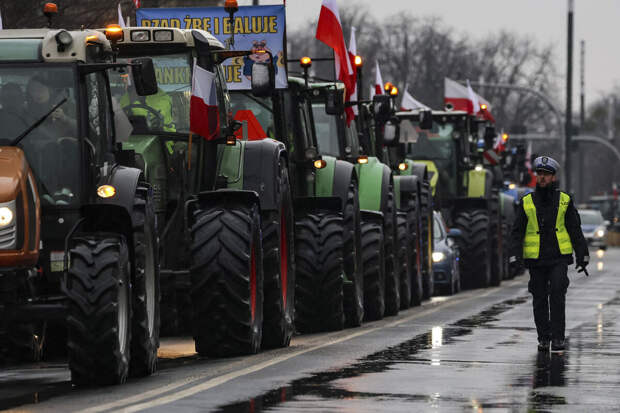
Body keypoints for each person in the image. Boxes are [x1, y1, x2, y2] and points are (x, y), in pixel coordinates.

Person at [509, 156, 589, 352]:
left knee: (557, 295)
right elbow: (517, 232)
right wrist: (514, 256)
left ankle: (558, 338)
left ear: (554, 177)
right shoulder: (527, 202)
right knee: (539, 298)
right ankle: (544, 338)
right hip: (536, 260)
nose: (542, 178)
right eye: (540, 174)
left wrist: (583, 255)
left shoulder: (564, 200)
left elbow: (575, 230)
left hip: (558, 258)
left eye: (546, 175)